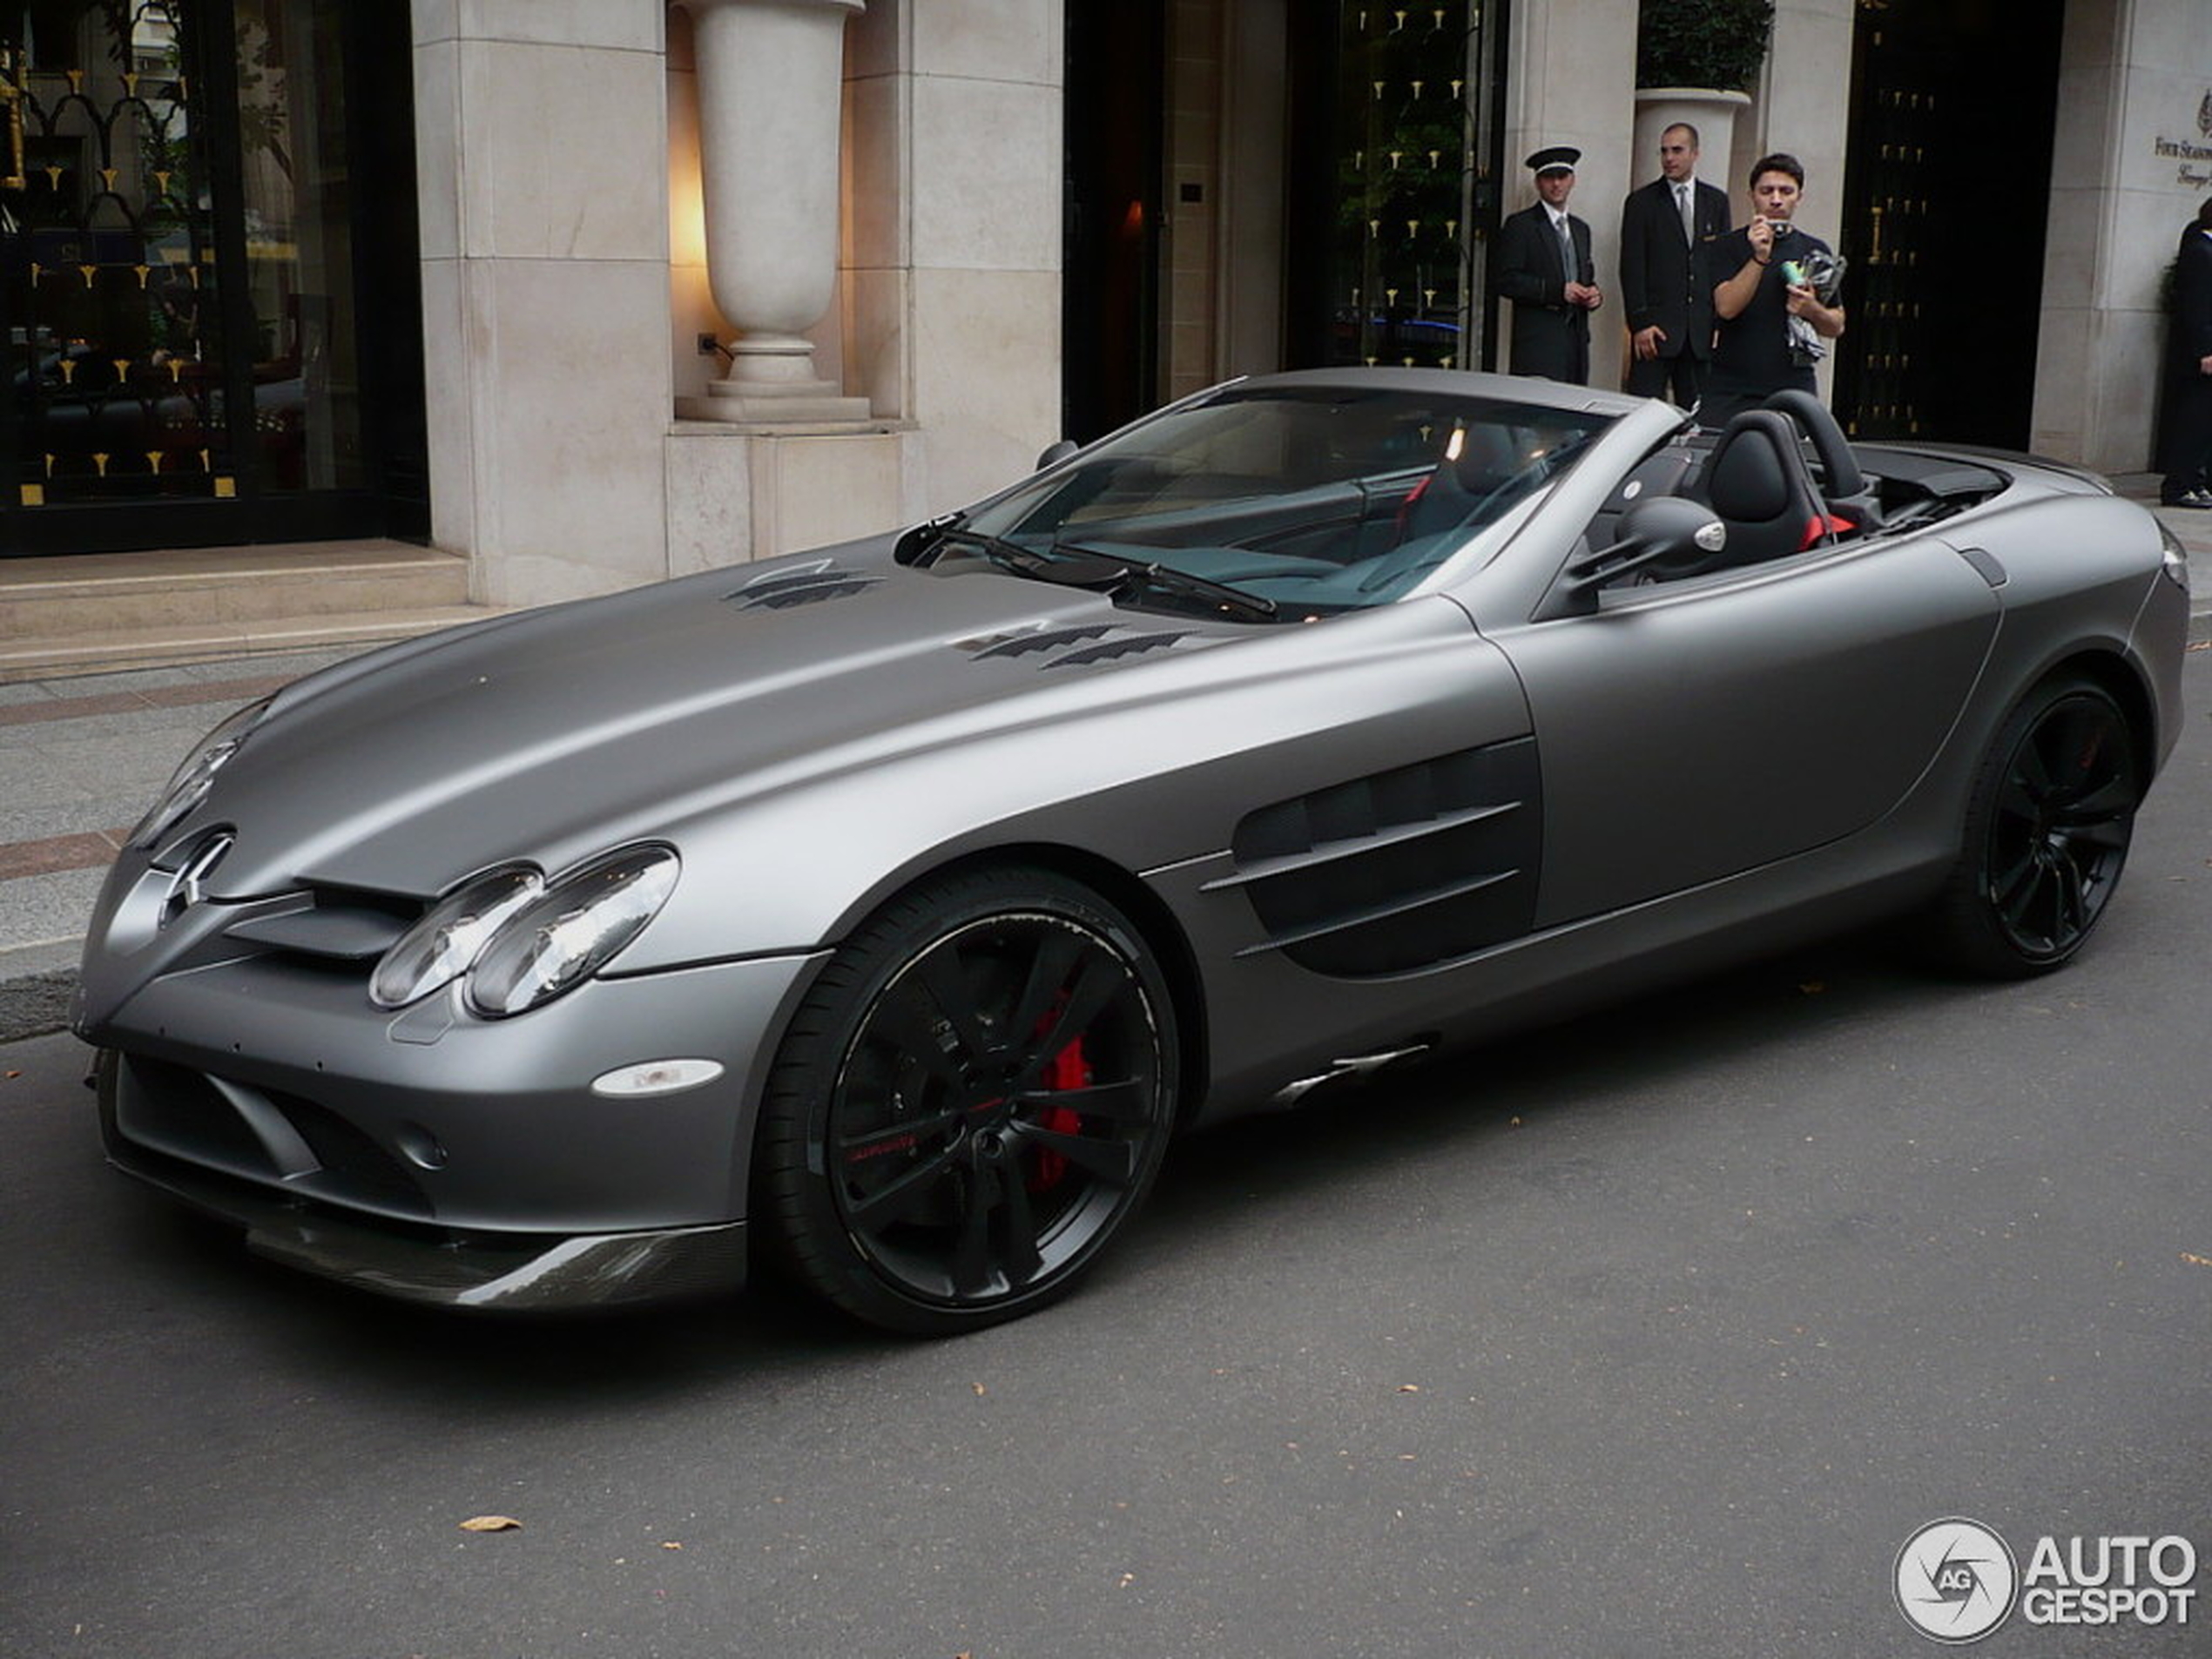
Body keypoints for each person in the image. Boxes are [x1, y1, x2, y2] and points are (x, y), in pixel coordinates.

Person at [1702, 152, 1845, 428]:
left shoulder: (1815, 250)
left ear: (1798, 197)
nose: (1776, 199)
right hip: (1731, 389)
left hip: (1793, 388)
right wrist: (1759, 257)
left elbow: (1836, 326)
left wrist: (1811, 308)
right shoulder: (1726, 246)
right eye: (1767, 191)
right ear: (1752, 195)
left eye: (1786, 191)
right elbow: (1726, 308)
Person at [1618, 122, 1731, 405]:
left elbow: (1722, 266)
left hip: (1700, 334)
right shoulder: (1641, 202)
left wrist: (1720, 324)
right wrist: (1640, 323)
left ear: (1695, 153)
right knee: (1642, 413)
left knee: (1699, 415)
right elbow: (1631, 267)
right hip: (1655, 332)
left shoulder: (1716, 201)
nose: (1669, 158)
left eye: (1677, 150)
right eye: (1664, 151)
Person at [1493, 146, 1603, 384]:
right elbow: (1506, 280)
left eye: (1562, 177)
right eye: (1548, 178)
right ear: (1538, 182)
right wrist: (1557, 291)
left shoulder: (1580, 229)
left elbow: (1585, 277)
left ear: (1573, 180)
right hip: (1537, 346)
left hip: (1576, 345)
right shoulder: (1521, 225)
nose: (1556, 185)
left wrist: (1594, 295)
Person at [2158, 198, 2212, 509]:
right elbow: (2197, 307)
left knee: (2205, 424)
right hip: (2202, 355)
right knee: (2195, 420)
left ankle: (2195, 480)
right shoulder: (2200, 252)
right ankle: (2179, 485)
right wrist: (2205, 350)